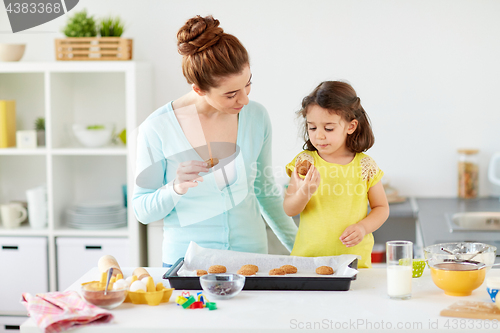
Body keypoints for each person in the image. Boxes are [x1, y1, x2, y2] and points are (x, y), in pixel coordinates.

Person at [133, 15, 297, 267]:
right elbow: (143, 211)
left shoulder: (256, 117)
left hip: (251, 263)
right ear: (198, 89)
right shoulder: (157, 128)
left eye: (248, 84)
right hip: (187, 266)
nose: (244, 100)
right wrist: (175, 187)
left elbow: (266, 192)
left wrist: (303, 250)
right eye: (231, 94)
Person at [283, 81, 389, 268]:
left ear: (351, 126)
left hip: (353, 262)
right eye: (312, 127)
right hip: (309, 262)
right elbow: (290, 209)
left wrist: (363, 228)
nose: (319, 136)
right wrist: (305, 191)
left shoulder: (365, 165)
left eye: (328, 128)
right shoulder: (305, 162)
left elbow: (381, 207)